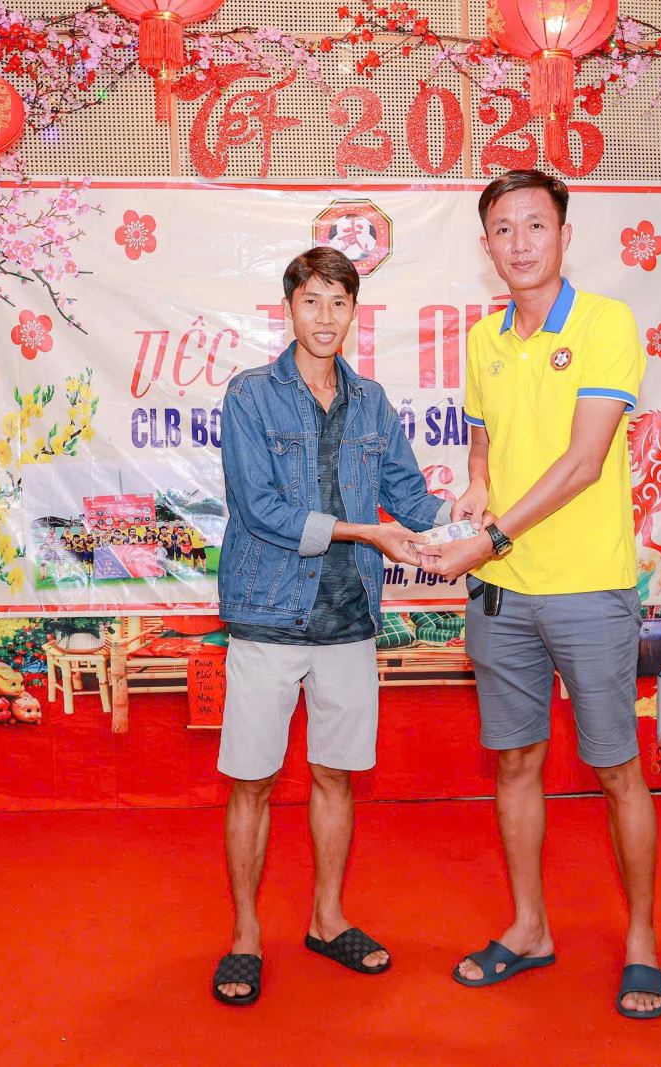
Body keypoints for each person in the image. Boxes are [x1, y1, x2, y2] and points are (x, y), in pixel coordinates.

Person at [419, 170, 661, 1020]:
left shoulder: (605, 323)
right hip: (501, 595)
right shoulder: (483, 338)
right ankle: (529, 928)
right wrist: (476, 489)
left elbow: (584, 462)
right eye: (503, 228)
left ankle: (641, 942)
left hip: (588, 587)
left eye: (535, 224)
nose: (520, 242)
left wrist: (488, 538)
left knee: (616, 768)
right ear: (485, 245)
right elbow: (484, 443)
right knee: (516, 762)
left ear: (564, 235)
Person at [211, 246, 453, 1006]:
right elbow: (260, 509)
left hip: (350, 619)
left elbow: (411, 498)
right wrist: (365, 532)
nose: (325, 317)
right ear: (289, 307)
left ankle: (327, 918)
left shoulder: (372, 402)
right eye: (311, 301)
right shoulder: (250, 395)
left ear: (354, 312)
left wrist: (471, 521)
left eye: (338, 303)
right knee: (252, 781)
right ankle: (245, 934)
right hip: (267, 615)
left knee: (335, 774)